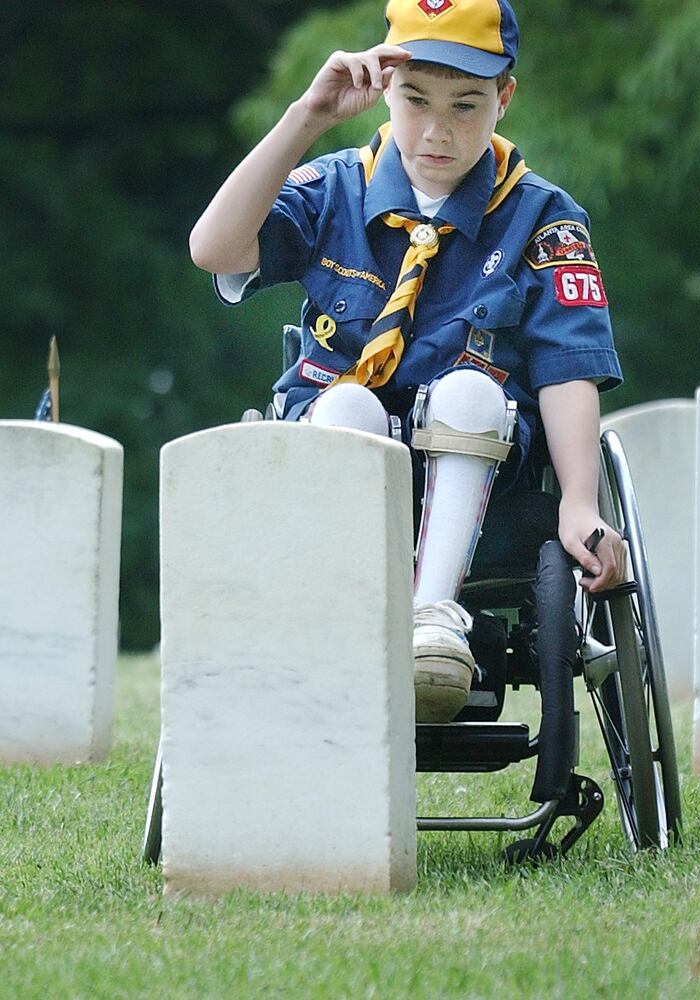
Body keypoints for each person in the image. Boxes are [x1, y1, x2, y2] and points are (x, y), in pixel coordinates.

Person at [189, 0, 626, 722]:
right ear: (384, 89)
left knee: (470, 390)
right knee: (346, 401)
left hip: (484, 471)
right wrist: (307, 116)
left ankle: (432, 623)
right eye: (415, 100)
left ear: (504, 98)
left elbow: (566, 365)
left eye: (466, 104)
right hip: (340, 462)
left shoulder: (542, 215)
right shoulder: (333, 186)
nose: (437, 129)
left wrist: (580, 500)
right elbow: (214, 249)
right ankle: (352, 616)